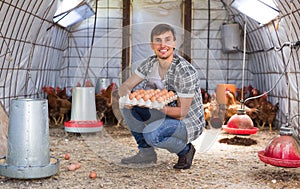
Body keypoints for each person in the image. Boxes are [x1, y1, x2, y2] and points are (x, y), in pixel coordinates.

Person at [118, 23, 205, 169]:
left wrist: (157, 106)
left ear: (174, 43)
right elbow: (125, 86)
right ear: (152, 44)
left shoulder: (185, 72)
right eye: (158, 40)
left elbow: (182, 113)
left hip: (187, 121)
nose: (163, 44)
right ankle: (146, 154)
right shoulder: (150, 63)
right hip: (164, 112)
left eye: (167, 39)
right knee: (126, 109)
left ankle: (186, 150)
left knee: (151, 134)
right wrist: (127, 96)